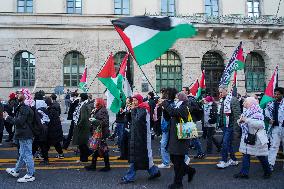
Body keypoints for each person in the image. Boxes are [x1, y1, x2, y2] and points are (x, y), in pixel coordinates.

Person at [121, 94, 161, 184]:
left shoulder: (143, 109)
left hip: (142, 137)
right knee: (143, 158)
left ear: (140, 100)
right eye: (133, 100)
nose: (134, 102)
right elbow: (129, 120)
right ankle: (154, 172)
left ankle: (129, 177)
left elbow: (137, 120)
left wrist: (133, 109)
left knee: (138, 157)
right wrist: (128, 111)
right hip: (136, 136)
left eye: (136, 100)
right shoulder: (138, 108)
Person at [160, 91, 196, 189]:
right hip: (175, 137)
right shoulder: (178, 105)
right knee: (175, 159)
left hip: (181, 138)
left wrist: (165, 104)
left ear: (181, 98)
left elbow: (174, 112)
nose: (175, 99)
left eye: (177, 97)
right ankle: (189, 170)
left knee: (177, 161)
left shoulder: (185, 106)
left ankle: (178, 183)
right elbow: (169, 116)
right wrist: (164, 108)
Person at [234, 97, 271, 179]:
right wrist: (239, 122)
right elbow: (242, 123)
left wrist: (246, 120)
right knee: (246, 155)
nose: (243, 103)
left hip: (257, 138)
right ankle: (244, 173)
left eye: (245, 102)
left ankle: (268, 171)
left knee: (261, 156)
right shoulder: (247, 112)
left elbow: (260, 125)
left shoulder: (257, 112)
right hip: (248, 138)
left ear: (250, 103)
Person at [4, 89, 35, 183]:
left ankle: (30, 175)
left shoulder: (24, 108)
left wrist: (7, 117)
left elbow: (19, 122)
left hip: (25, 134)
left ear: (25, 95)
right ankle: (16, 170)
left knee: (27, 155)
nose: (17, 94)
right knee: (22, 154)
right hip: (23, 134)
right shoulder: (23, 106)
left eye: (20, 93)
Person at [217, 85, 241, 168]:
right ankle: (234, 160)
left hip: (230, 126)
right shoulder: (222, 100)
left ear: (226, 91)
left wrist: (236, 130)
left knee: (225, 143)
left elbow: (237, 115)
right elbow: (221, 114)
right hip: (225, 126)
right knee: (229, 144)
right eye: (219, 92)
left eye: (221, 92)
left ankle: (224, 160)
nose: (220, 94)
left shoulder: (233, 100)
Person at [85, 98, 110, 172]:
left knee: (103, 149)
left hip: (101, 133)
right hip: (97, 132)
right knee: (96, 148)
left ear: (100, 102)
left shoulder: (103, 110)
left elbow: (104, 122)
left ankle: (107, 166)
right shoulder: (98, 109)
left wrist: (95, 120)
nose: (94, 103)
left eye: (96, 102)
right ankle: (93, 165)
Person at [182, 87, 205, 159]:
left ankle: (200, 153)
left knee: (191, 138)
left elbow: (194, 109)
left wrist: (186, 107)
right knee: (190, 138)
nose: (182, 91)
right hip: (187, 120)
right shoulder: (186, 99)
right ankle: (199, 153)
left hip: (190, 120)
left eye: (183, 90)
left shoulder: (190, 99)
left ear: (187, 92)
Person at [265, 87, 284, 171]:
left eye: (278, 94)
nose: (276, 95)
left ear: (282, 95)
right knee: (273, 146)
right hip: (275, 127)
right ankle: (270, 164)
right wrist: (269, 120)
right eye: (275, 94)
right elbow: (266, 114)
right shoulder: (270, 104)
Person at [32, 91, 50, 165]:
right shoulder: (44, 103)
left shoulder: (36, 104)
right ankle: (30, 157)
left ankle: (45, 159)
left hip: (39, 128)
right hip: (44, 127)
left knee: (40, 145)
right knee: (40, 144)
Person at [72, 93, 91, 162]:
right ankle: (84, 158)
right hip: (84, 126)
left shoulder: (83, 106)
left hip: (82, 126)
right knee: (82, 143)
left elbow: (83, 118)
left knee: (81, 143)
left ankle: (85, 156)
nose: (79, 98)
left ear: (82, 98)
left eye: (80, 97)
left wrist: (79, 124)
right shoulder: (84, 104)